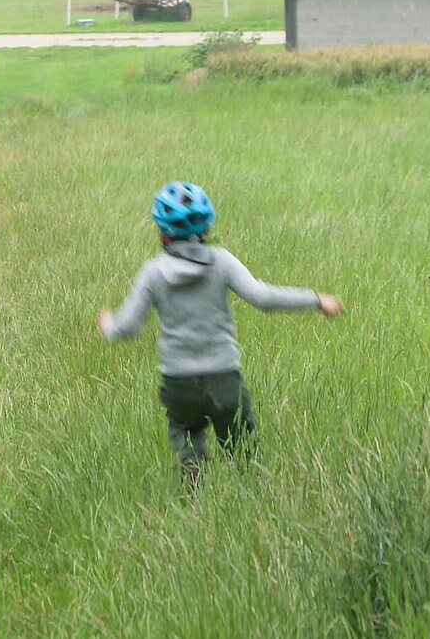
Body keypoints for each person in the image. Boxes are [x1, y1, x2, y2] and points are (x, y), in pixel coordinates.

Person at [98, 181, 345, 482]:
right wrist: (316, 299)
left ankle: (193, 480)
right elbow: (263, 298)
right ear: (206, 226)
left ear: (161, 231)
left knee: (185, 433)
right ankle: (250, 491)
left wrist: (108, 324)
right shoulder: (222, 262)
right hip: (223, 377)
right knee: (242, 447)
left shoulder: (153, 272)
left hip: (179, 382)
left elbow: (127, 325)